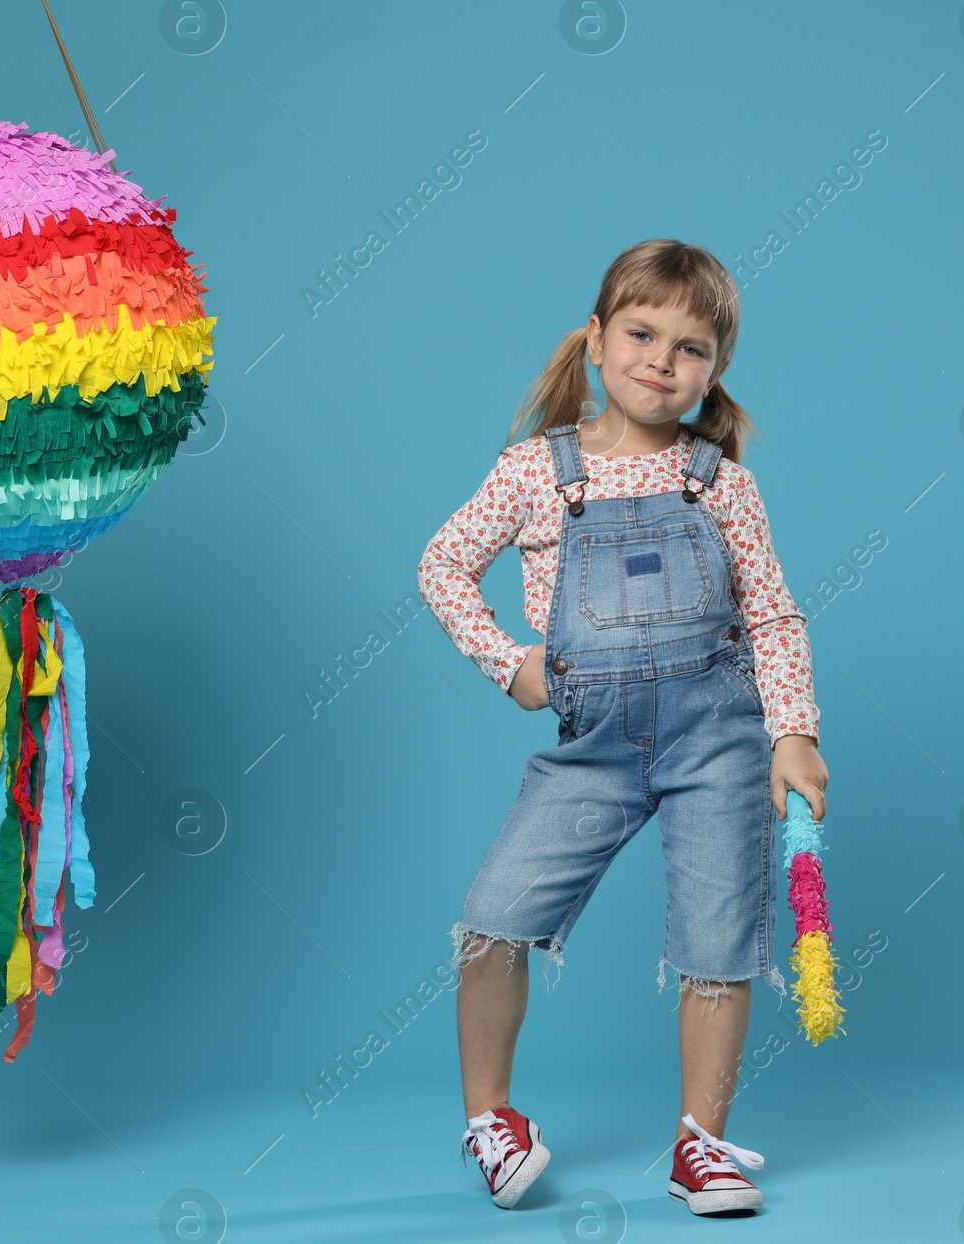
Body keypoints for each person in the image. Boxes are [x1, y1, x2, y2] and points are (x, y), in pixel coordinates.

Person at [415, 238, 829, 1215]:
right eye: (640, 333)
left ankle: (702, 1145)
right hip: (591, 746)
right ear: (596, 340)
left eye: (689, 347)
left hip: (716, 738)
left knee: (721, 942)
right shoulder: (533, 472)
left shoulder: (720, 483)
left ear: (713, 370)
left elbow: (770, 613)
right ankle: (489, 1119)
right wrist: (505, 660)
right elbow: (440, 564)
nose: (660, 359)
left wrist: (792, 732)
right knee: (490, 923)